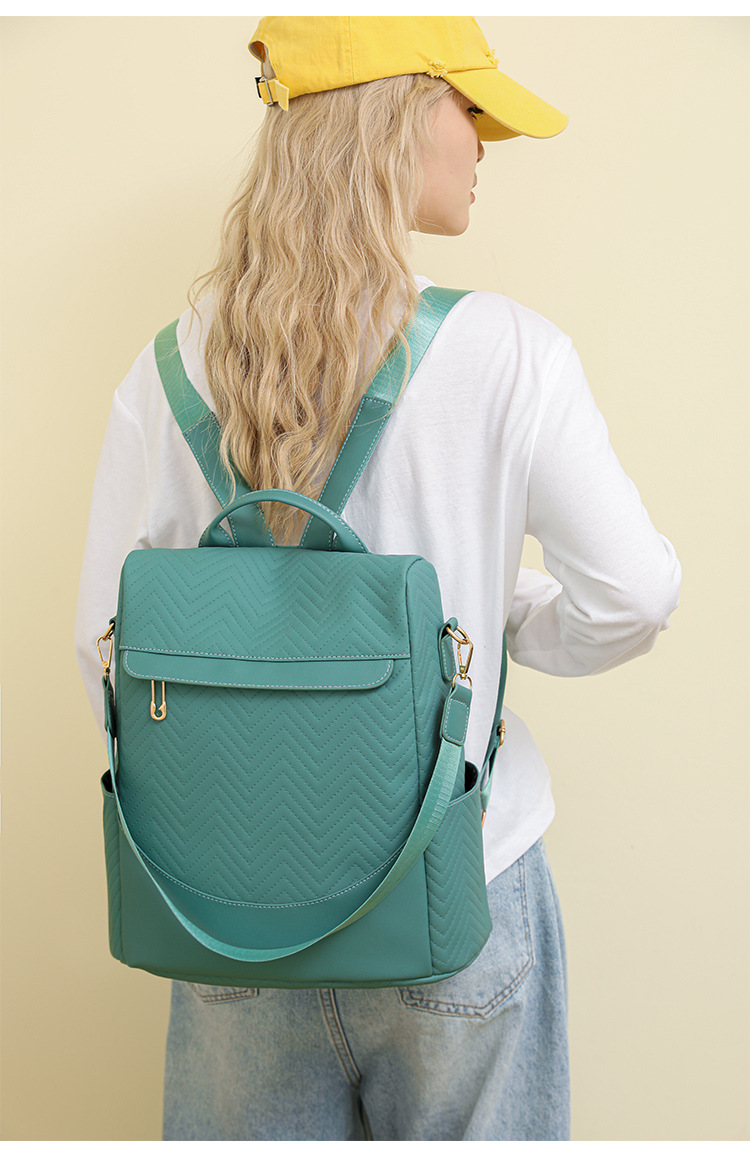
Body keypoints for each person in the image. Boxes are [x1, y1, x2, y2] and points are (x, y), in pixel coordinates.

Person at [75, 16, 681, 1142]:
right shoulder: (510, 356)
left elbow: (101, 647)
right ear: (399, 117)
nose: (485, 141)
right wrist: (494, 618)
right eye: (470, 107)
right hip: (456, 893)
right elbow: (634, 595)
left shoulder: (169, 368)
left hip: (228, 912)